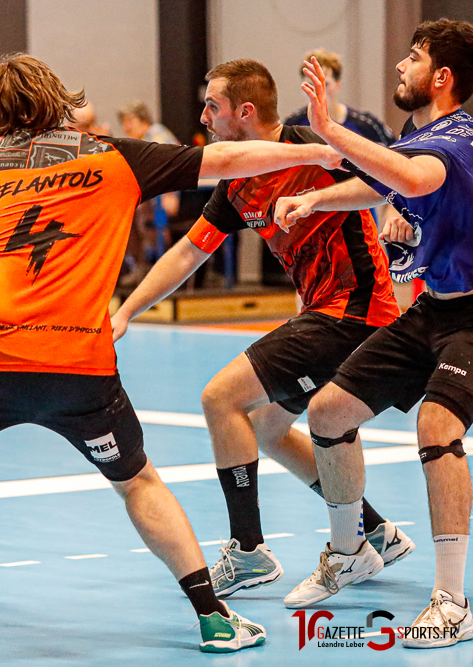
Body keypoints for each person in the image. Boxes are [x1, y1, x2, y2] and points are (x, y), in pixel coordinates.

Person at [0, 52, 346, 664]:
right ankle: (215, 618)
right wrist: (318, 151)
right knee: (137, 481)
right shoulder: (113, 156)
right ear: (59, 99)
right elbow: (227, 159)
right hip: (80, 368)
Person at [110, 58, 414, 600]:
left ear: (244, 112)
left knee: (221, 399)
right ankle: (373, 530)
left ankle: (248, 552)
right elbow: (187, 253)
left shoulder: (313, 150)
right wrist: (127, 310)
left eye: (212, 106)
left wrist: (399, 210)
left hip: (353, 313)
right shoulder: (238, 178)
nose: (203, 116)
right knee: (268, 427)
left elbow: (392, 180)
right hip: (320, 313)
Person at [273, 20, 473, 648]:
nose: (398, 68)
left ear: (441, 77)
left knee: (437, 425)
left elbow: (412, 180)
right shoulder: (423, 136)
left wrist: (331, 132)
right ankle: (351, 550)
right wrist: (316, 202)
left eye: (411, 59)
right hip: (434, 309)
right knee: (328, 412)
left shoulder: (461, 137)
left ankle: (451, 600)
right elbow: (386, 181)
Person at [117, 101, 181, 274]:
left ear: (144, 121)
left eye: (130, 121)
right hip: (155, 196)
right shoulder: (140, 142)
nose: (126, 127)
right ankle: (140, 265)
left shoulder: (157, 136)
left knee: (137, 208)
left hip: (171, 197)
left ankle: (159, 267)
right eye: (123, 122)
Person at [284, 49, 396, 146]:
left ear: (338, 85)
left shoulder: (367, 124)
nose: (319, 91)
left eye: (325, 84)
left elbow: (396, 155)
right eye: (311, 84)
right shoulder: (293, 123)